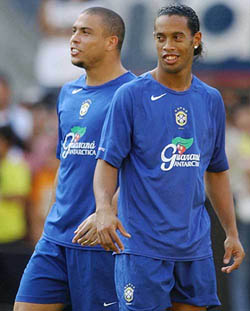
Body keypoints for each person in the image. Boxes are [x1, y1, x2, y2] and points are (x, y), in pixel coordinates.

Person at [93, 4, 245, 311]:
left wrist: (231, 232)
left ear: (196, 39)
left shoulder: (210, 99)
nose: (168, 46)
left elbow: (216, 171)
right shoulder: (131, 95)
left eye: (177, 37)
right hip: (141, 247)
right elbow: (107, 162)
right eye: (160, 37)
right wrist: (104, 209)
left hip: (195, 247)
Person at [14, 7, 135, 311]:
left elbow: (148, 172)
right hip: (55, 237)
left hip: (102, 240)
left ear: (111, 41)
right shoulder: (68, 92)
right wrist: (47, 217)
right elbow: (64, 165)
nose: (74, 39)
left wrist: (108, 211)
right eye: (73, 31)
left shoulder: (135, 94)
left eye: (85, 32)